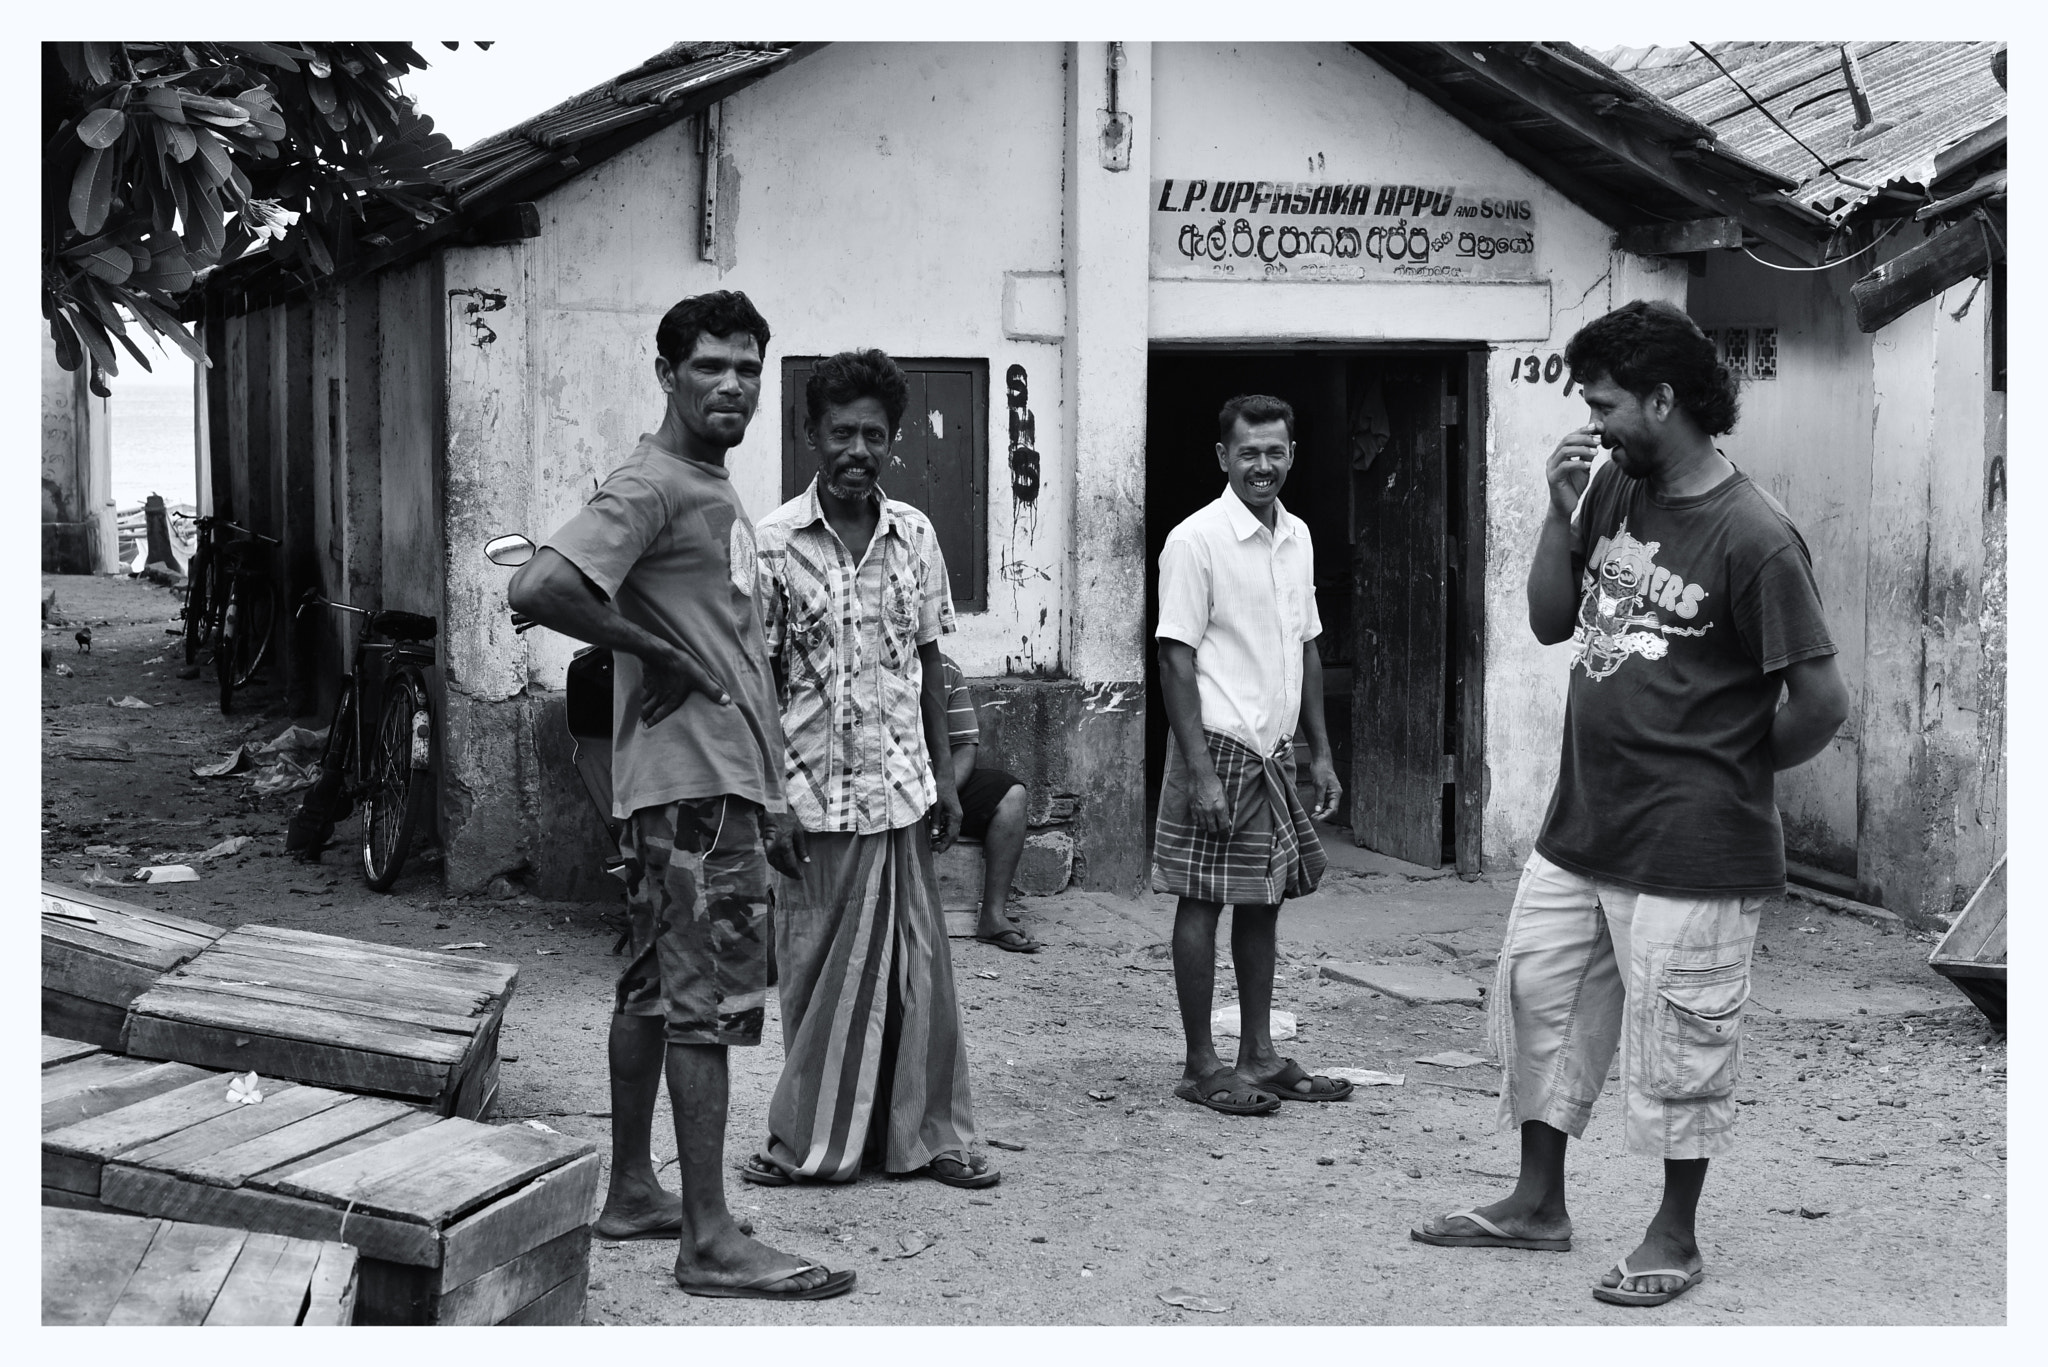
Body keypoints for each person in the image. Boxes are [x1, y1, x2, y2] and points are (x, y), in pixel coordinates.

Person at [1410, 300, 1850, 1309]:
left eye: (1606, 404)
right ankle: (1535, 1201)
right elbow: (1549, 618)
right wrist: (1559, 509)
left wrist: (1726, 769)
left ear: (1664, 398)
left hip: (1694, 844)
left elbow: (1821, 704)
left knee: (1677, 1040)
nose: (1593, 422)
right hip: (1582, 824)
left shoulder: (1755, 537)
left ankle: (1672, 1234)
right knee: (1538, 1005)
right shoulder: (1611, 486)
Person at [507, 291, 853, 1302]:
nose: (730, 385)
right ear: (665, 372)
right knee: (704, 1006)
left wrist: (773, 794)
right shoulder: (654, 483)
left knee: (656, 989)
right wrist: (651, 647)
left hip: (708, 785)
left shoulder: (708, 484)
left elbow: (734, 652)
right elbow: (537, 590)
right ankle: (707, 1238)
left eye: (746, 367)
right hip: (690, 790)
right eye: (708, 365)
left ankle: (631, 1188)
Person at [744, 348, 998, 1191]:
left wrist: (948, 782)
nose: (858, 448)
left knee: (921, 978)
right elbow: (755, 683)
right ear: (810, 433)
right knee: (820, 985)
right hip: (813, 803)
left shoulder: (916, 535)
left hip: (902, 795)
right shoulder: (773, 544)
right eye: (841, 432)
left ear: (894, 442)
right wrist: (769, 799)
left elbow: (929, 667)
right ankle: (813, 1147)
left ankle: (929, 1138)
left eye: (874, 435)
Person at [1153, 393, 1349, 1117]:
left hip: (1274, 748)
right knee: (1201, 901)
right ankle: (1201, 1063)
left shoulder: (1295, 536)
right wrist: (1200, 771)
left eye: (1275, 451)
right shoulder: (1195, 540)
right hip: (1219, 746)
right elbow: (1175, 659)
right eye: (1248, 452)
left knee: (1264, 903)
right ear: (1222, 457)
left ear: (1292, 454)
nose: (1262, 465)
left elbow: (1308, 647)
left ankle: (1258, 1050)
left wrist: (1319, 751)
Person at [938, 650, 1042, 953]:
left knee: (1011, 796)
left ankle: (992, 917)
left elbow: (964, 747)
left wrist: (940, 795)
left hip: (938, 782)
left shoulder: (945, 668)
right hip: (888, 784)